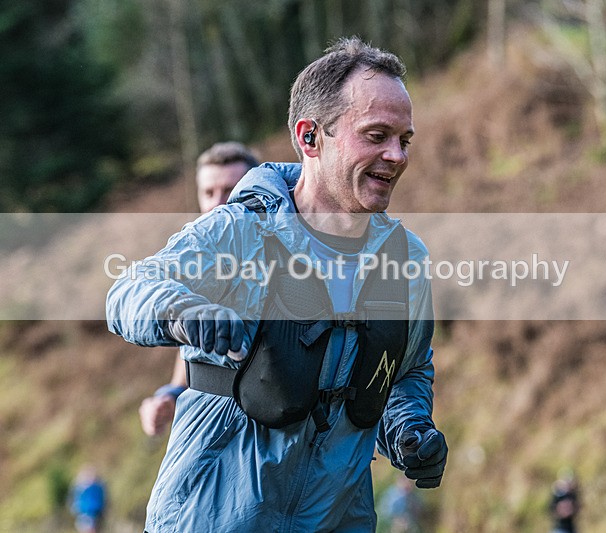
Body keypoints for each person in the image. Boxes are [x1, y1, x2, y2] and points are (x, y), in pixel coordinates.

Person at [107, 36, 448, 531]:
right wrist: (185, 313)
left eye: (404, 139)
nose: (396, 156)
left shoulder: (407, 259)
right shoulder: (237, 233)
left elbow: (408, 370)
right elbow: (127, 293)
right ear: (310, 137)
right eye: (376, 136)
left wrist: (410, 430)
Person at [137, 142, 259, 437]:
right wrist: (168, 396)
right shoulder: (200, 265)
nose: (217, 203)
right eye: (208, 192)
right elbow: (193, 352)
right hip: (221, 433)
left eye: (229, 190)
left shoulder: (284, 252)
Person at [69, 465, 106, 533]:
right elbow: (73, 500)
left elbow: (103, 499)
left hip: (96, 514)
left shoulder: (98, 486)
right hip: (84, 514)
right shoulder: (79, 487)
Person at [549, 468, 581, 533]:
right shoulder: (557, 495)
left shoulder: (572, 495)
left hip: (571, 528)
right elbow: (553, 510)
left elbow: (577, 508)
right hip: (560, 528)